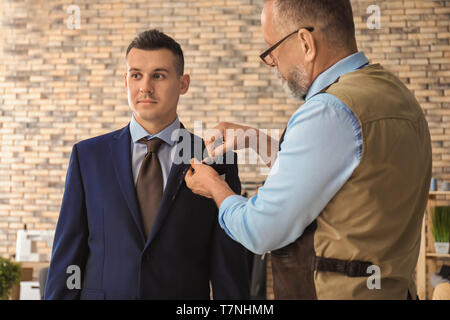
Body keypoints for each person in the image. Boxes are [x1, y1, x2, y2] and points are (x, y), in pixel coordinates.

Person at [185, 0, 432, 299]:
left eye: (271, 48)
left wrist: (215, 187)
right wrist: (257, 140)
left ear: (305, 42)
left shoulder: (327, 111)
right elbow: (339, 180)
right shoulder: (397, 95)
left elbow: (259, 230)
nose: (273, 61)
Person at [44, 29, 250, 300]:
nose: (145, 87)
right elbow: (68, 256)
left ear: (183, 83)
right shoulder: (88, 156)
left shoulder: (215, 157)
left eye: (159, 75)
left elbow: (229, 268)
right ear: (125, 81)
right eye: (136, 75)